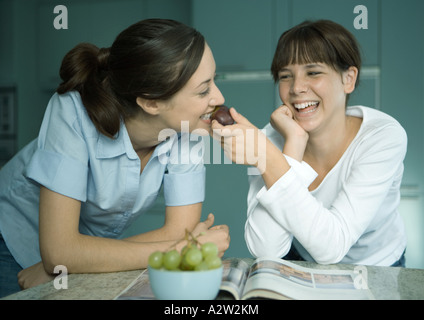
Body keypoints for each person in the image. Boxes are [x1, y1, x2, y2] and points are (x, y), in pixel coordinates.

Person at [0, 19, 230, 298]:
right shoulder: (72, 112)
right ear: (151, 102)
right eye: (203, 90)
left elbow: (179, 230)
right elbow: (59, 250)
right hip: (10, 241)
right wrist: (65, 259)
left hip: (75, 261)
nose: (219, 97)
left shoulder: (188, 129)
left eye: (214, 81)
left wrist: (74, 262)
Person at [212, 20, 407, 267]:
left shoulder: (382, 137)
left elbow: (332, 247)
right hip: (303, 261)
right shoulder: (270, 139)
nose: (296, 88)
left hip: (378, 265)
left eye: (313, 72)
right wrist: (292, 145)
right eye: (285, 76)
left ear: (349, 78)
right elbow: (266, 249)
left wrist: (269, 158)